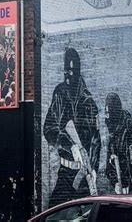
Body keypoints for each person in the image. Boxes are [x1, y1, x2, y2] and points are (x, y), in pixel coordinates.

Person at [43, 48, 101, 207]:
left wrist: (93, 167)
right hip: (66, 172)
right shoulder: (60, 93)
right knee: (53, 212)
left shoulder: (89, 102)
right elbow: (49, 128)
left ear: (78, 71)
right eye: (65, 71)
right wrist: (71, 146)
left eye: (72, 71)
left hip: (85, 175)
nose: (68, 75)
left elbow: (96, 139)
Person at [104, 93, 132, 194]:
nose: (106, 116)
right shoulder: (113, 131)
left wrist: (127, 184)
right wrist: (115, 182)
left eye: (109, 112)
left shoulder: (129, 130)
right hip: (119, 185)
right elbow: (109, 163)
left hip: (128, 187)